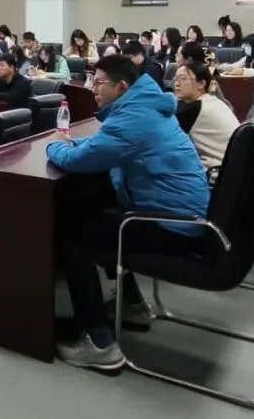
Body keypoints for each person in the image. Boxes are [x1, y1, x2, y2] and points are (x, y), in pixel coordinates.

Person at [45, 55, 210, 370]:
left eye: (99, 83)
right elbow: (104, 144)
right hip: (183, 216)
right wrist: (75, 144)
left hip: (173, 226)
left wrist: (56, 145)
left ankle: (99, 344)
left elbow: (79, 160)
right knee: (96, 211)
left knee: (72, 235)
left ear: (121, 87)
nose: (93, 89)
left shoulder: (134, 118)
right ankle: (134, 305)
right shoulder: (145, 107)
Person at [174, 62, 240, 170]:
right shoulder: (213, 101)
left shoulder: (195, 108)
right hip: (233, 167)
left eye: (183, 79)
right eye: (175, 79)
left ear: (201, 84)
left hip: (214, 172)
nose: (177, 84)